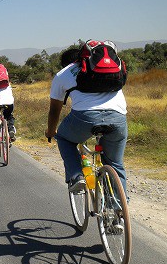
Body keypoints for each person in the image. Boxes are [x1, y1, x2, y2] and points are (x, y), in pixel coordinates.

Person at [45, 45, 128, 197]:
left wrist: (51, 131)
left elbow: (54, 110)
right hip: (118, 117)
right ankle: (120, 213)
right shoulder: (108, 69)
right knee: (115, 164)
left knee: (63, 138)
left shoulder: (63, 74)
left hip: (85, 118)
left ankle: (77, 175)